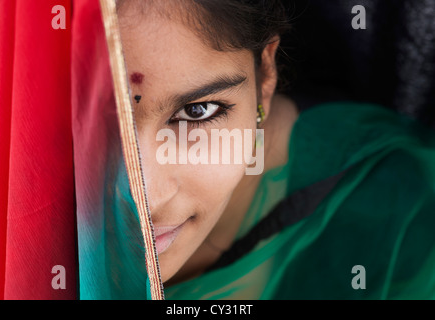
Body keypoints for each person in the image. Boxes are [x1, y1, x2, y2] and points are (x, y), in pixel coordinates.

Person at [101, 0, 435, 299]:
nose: (149, 199)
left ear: (264, 79)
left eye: (196, 112)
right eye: (93, 128)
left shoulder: (394, 221)